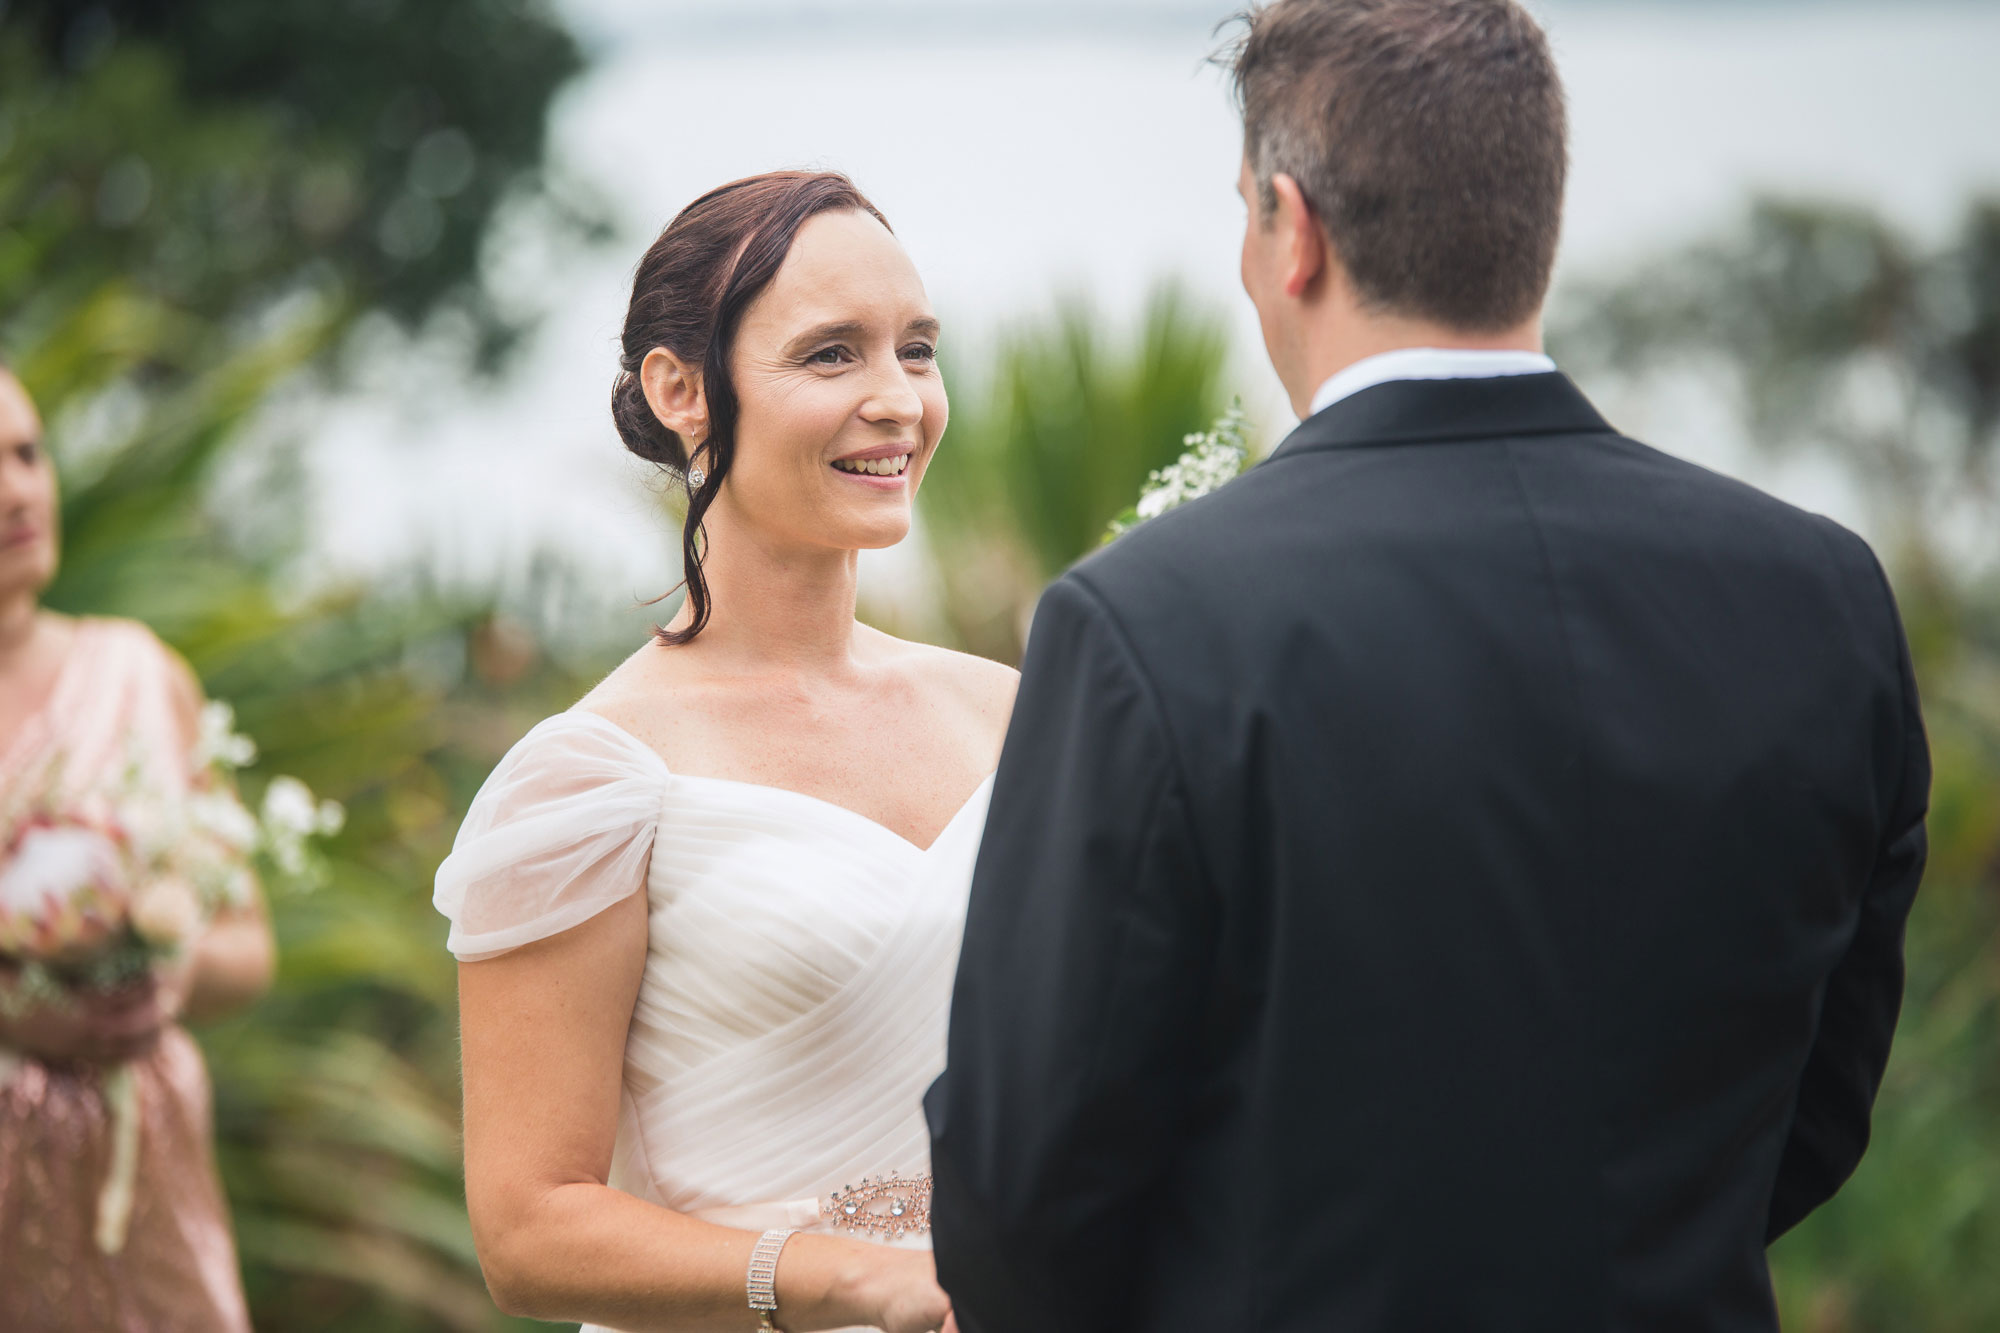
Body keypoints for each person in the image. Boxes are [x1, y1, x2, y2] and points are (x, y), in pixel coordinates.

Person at [925, 1, 1930, 1330]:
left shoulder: (1149, 619)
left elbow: (1022, 1200)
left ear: (1294, 231)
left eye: (1245, 211)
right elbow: (1822, 1104)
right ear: (1539, 219)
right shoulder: (1822, 596)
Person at [436, 171, 1015, 1333]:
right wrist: (840, 1277)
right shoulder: (586, 784)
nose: (897, 399)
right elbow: (528, 1228)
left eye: (916, 348)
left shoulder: (1010, 711)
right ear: (682, 389)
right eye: (830, 355)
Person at [0, 360, 276, 1330]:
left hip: (147, 1176)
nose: (15, 491)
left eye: (27, 453)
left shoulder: (140, 673)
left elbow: (248, 947)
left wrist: (157, 972)